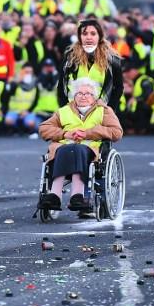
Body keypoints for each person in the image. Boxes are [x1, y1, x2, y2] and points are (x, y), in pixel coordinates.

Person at [38, 78, 123, 212]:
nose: (83, 96)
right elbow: (44, 128)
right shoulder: (64, 111)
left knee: (77, 149)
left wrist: (88, 133)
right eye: (79, 93)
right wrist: (65, 134)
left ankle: (77, 194)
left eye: (87, 93)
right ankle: (54, 195)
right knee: (65, 149)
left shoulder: (104, 111)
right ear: (74, 96)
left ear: (94, 96)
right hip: (64, 147)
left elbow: (116, 132)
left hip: (90, 149)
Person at [58, 19, 123, 112]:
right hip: (73, 112)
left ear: (99, 36)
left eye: (93, 34)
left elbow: (118, 88)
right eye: (84, 34)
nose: (89, 37)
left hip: (100, 113)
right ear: (79, 37)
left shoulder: (112, 60)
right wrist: (66, 109)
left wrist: (109, 110)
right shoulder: (70, 57)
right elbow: (61, 86)